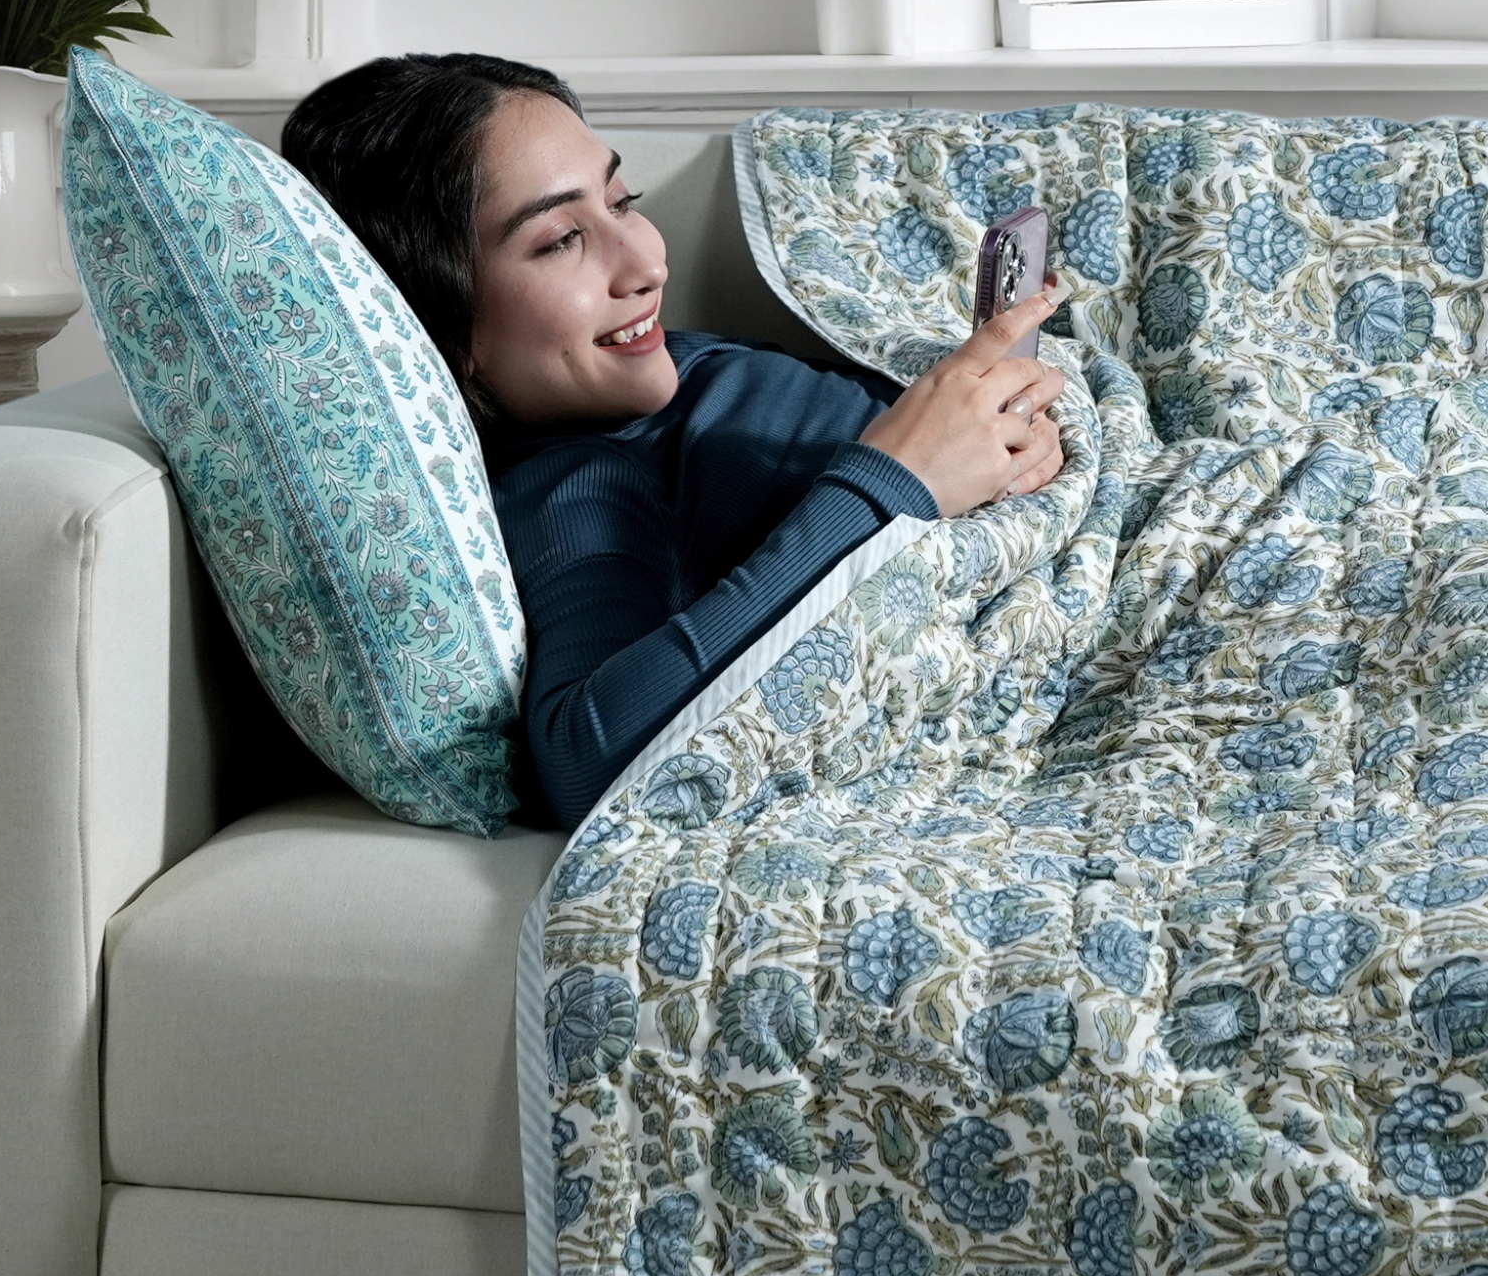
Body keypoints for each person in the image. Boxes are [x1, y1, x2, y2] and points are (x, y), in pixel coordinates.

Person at [281, 53, 1067, 830]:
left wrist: (1002, 431)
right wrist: (897, 482)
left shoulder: (648, 363)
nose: (647, 261)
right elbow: (583, 759)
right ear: (437, 326)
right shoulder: (582, 476)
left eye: (622, 201)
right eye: (560, 240)